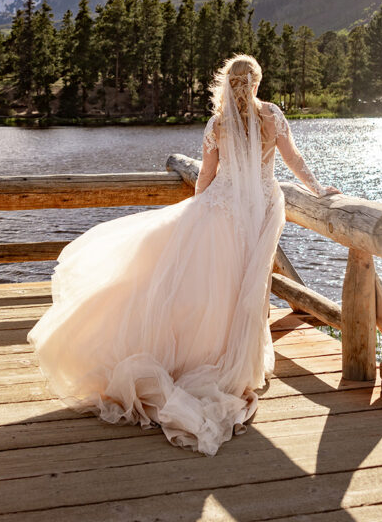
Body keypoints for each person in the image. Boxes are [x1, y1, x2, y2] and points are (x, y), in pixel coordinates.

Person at [27, 53, 339, 457]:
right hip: (261, 209)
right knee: (245, 287)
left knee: (211, 286)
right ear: (258, 82)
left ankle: (204, 356)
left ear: (227, 83)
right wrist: (320, 190)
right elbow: (294, 160)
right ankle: (236, 363)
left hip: (223, 209)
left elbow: (207, 175)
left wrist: (197, 211)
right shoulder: (272, 116)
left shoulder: (219, 124)